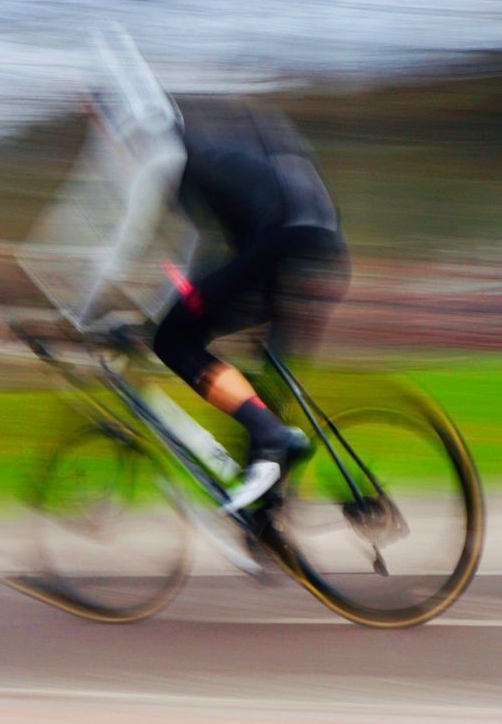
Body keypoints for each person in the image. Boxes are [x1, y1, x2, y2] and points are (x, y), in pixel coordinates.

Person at [79, 32, 348, 512]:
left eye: (101, 128)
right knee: (260, 374)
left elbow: (129, 240)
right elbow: (193, 256)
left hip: (276, 245)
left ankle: (271, 440)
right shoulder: (203, 141)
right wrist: (161, 303)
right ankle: (270, 513)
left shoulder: (157, 148)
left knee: (175, 341)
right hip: (319, 244)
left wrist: (84, 309)